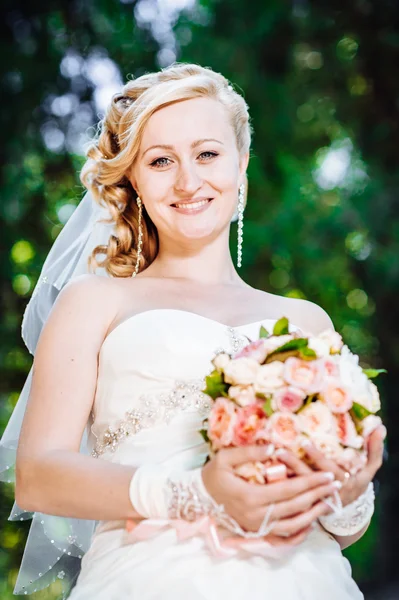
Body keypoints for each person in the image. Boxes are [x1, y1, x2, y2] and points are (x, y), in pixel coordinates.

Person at [4, 63, 384, 599]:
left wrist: (347, 489)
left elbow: (342, 529)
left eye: (207, 154)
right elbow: (38, 476)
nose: (188, 181)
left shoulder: (307, 322)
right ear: (134, 178)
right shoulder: (94, 302)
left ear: (242, 164)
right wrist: (196, 493)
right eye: (161, 161)